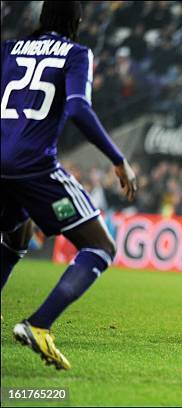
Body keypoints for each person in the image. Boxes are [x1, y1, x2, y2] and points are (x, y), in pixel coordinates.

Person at [1, 1, 137, 370]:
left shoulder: (8, 49)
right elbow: (77, 108)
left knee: (16, 232)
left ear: (41, 18)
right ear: (77, 20)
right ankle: (38, 324)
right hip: (33, 167)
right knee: (100, 246)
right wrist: (117, 159)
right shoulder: (76, 53)